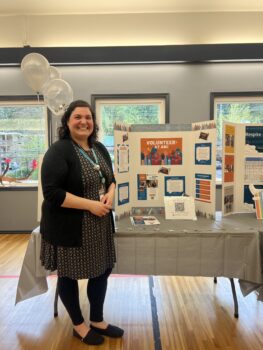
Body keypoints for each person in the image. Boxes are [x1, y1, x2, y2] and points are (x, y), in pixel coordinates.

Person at [40, 99, 124, 346]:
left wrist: (111, 191)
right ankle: (78, 325)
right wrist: (91, 204)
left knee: (103, 270)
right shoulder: (59, 151)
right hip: (70, 227)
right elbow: (52, 193)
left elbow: (112, 177)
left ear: (94, 122)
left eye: (88, 117)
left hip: (99, 226)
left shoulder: (99, 148)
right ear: (67, 121)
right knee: (69, 276)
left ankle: (97, 320)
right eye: (77, 117)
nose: (83, 122)